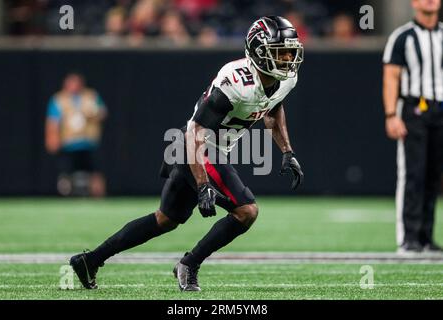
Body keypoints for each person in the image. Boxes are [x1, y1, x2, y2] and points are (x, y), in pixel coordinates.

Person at [69, 16, 304, 291]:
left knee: (165, 219)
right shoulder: (236, 81)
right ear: (258, 51)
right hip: (196, 146)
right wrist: (203, 183)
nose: (288, 58)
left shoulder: (284, 79)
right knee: (246, 211)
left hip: (206, 147)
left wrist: (287, 151)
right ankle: (189, 264)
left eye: (291, 51)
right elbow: (196, 132)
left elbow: (274, 106)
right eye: (281, 52)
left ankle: (90, 260)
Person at [383, 0, 443, 253]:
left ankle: (426, 237)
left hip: (440, 108)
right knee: (413, 174)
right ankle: (408, 237)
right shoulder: (402, 36)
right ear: (414, 2)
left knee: (433, 175)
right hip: (414, 110)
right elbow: (391, 76)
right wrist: (391, 114)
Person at [45, 73, 107, 197]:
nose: (74, 86)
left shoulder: (91, 96)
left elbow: (103, 113)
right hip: (69, 143)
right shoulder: (59, 99)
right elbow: (52, 122)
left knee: (95, 173)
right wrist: (51, 138)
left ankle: (99, 198)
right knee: (65, 175)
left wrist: (92, 114)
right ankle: (65, 197)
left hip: (88, 143)